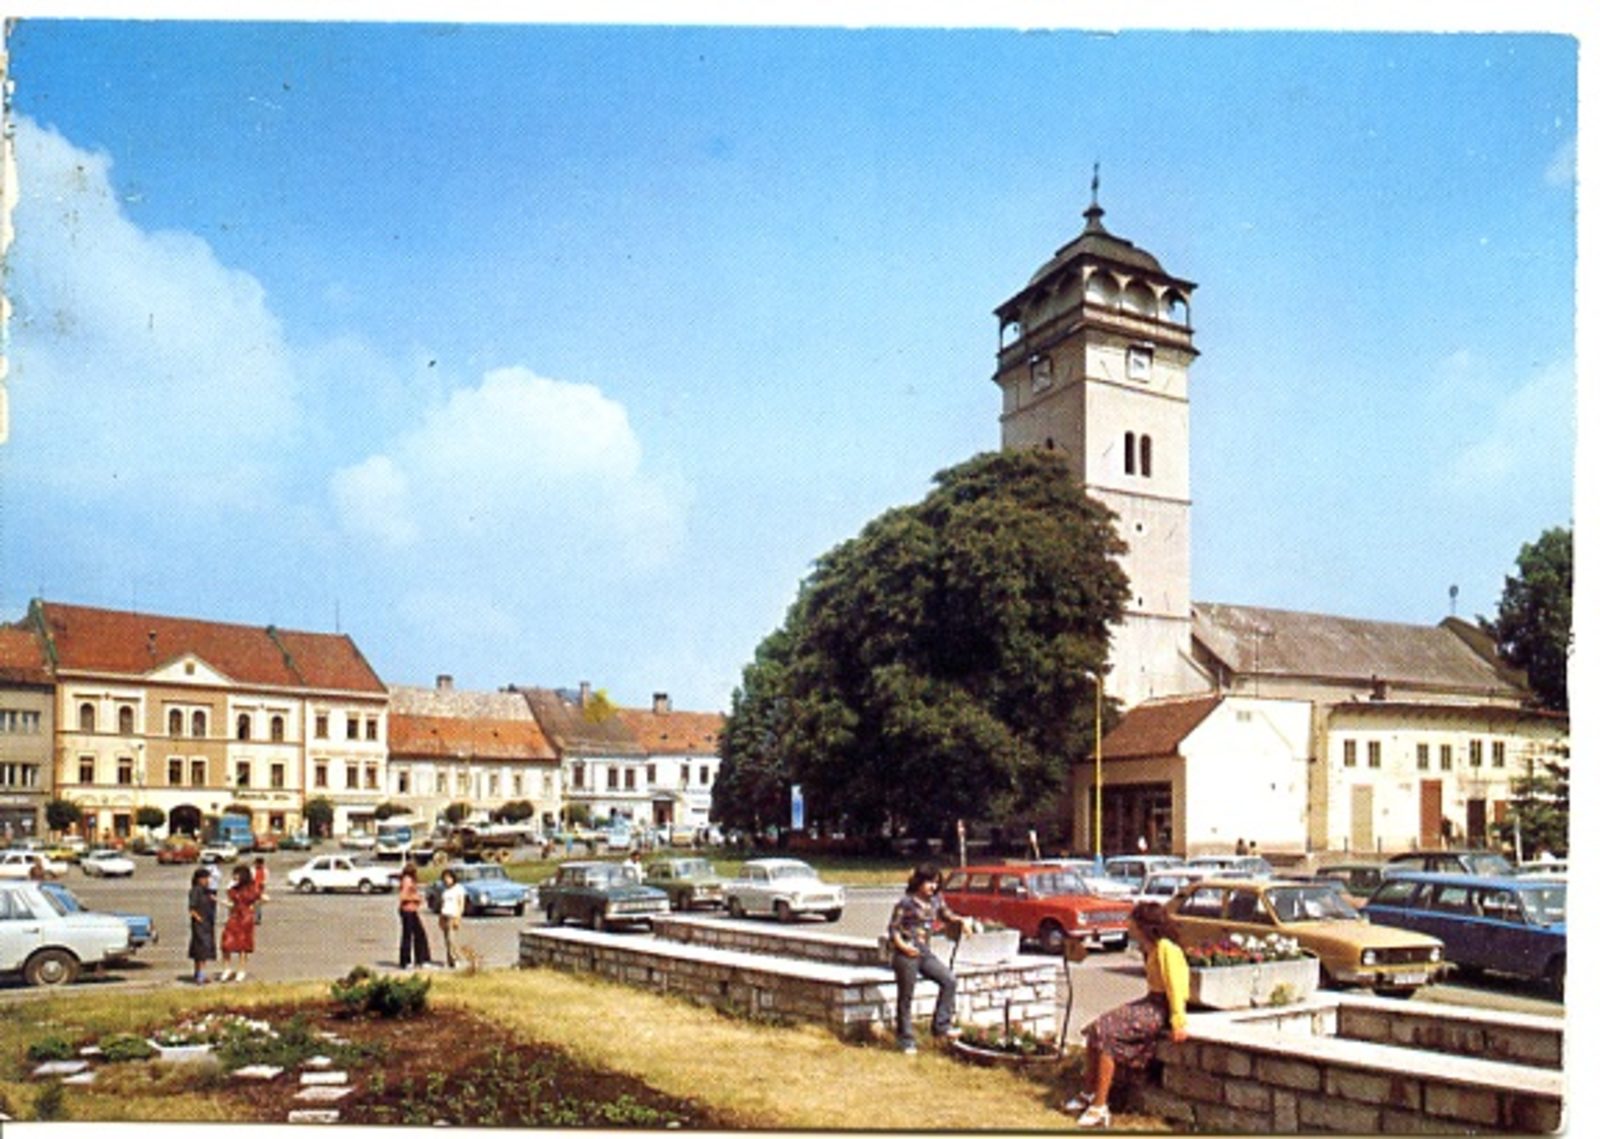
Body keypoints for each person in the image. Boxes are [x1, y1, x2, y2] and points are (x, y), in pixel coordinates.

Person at [1066, 901, 1190, 1129]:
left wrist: (1178, 1021)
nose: (1128, 925)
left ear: (1144, 924)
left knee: (1106, 1032)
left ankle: (1100, 1107)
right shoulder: (1149, 948)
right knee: (1095, 1027)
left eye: (1132, 921)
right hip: (1150, 1001)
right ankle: (1089, 1092)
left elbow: (1176, 986)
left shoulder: (1166, 949)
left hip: (1160, 1008)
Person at [887, 862, 974, 1055]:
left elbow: (947, 915)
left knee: (949, 980)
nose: (933, 887)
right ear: (919, 882)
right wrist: (904, 947)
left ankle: (941, 1026)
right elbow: (893, 930)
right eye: (929, 882)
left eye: (936, 883)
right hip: (906, 953)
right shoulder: (906, 903)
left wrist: (962, 921)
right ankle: (905, 1039)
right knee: (906, 996)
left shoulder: (936, 900)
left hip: (924, 953)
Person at [219, 864, 260, 982]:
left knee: (243, 945)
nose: (234, 876)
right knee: (226, 943)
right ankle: (227, 969)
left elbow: (262, 898)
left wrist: (253, 907)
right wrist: (220, 902)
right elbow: (231, 904)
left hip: (245, 917)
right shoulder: (233, 889)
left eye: (236, 874)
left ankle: (241, 970)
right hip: (234, 916)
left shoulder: (251, 888)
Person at [397, 861, 432, 968]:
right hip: (407, 910)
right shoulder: (407, 880)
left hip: (412, 910)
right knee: (409, 935)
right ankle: (406, 961)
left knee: (419, 934)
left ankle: (420, 959)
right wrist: (416, 898)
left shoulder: (410, 880)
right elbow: (403, 897)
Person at [186, 865, 218, 985]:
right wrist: (199, 919)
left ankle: (199, 973)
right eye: (204, 878)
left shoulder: (207, 891)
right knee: (201, 950)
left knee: (205, 950)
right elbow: (192, 908)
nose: (207, 881)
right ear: (198, 879)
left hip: (208, 924)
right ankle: (200, 975)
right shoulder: (195, 891)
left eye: (208, 878)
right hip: (200, 925)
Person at [438, 867, 466, 968]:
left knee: (451, 939)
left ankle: (456, 959)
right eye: (445, 878)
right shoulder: (445, 890)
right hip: (445, 914)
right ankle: (449, 960)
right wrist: (440, 918)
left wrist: (458, 918)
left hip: (453, 915)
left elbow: (461, 904)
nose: (447, 880)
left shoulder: (459, 889)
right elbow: (442, 904)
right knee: (446, 940)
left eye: (448, 878)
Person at [251, 856, 269, 926]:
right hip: (252, 888)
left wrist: (263, 883)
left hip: (260, 889)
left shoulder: (265, 870)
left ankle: (258, 918)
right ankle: (252, 918)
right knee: (252, 904)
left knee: (258, 904)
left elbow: (266, 879)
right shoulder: (252, 870)